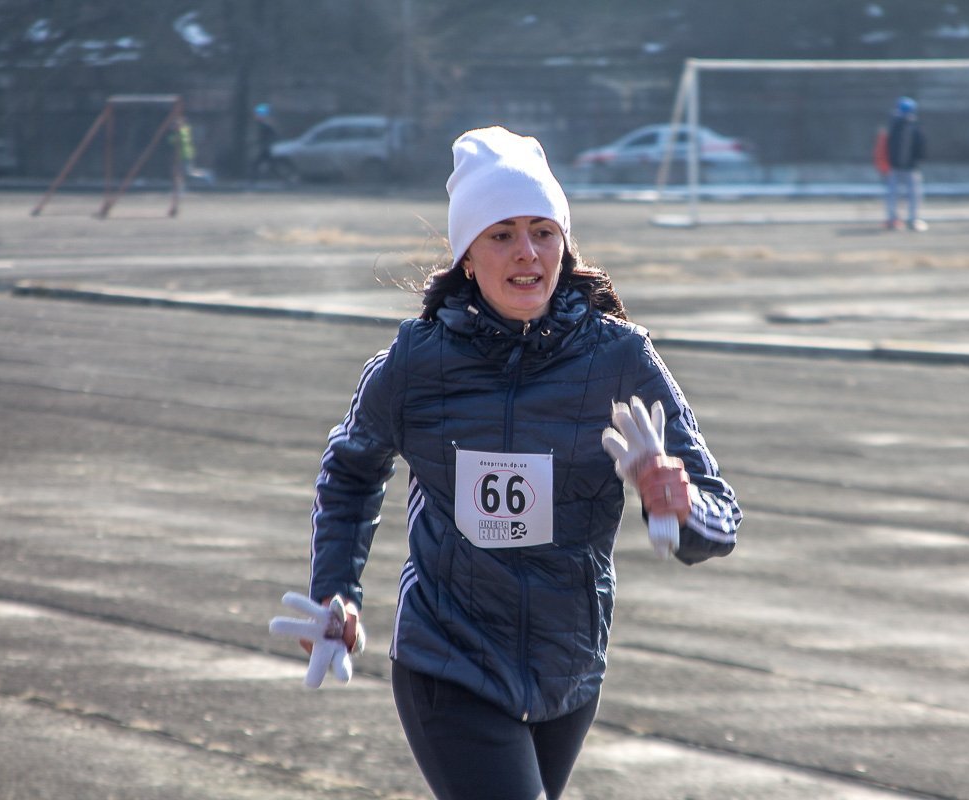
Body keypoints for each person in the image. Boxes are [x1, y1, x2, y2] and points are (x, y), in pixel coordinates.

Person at [272, 126, 741, 800]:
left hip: (567, 669)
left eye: (542, 231)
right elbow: (350, 471)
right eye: (501, 234)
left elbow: (720, 519)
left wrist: (679, 501)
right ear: (467, 255)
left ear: (564, 245)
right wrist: (336, 587)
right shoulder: (415, 365)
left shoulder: (620, 362)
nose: (527, 253)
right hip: (448, 660)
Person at [885, 96, 927, 232]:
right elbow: (888, 144)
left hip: (911, 167)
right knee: (893, 194)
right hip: (896, 166)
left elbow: (921, 145)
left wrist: (917, 161)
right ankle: (893, 219)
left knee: (913, 195)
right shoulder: (894, 125)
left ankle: (913, 219)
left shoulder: (915, 126)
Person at [251, 102, 278, 180]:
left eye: (257, 114)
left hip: (266, 149)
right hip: (267, 149)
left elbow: (270, 137)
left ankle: (252, 181)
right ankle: (287, 180)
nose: (255, 116)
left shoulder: (265, 125)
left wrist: (266, 145)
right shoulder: (263, 125)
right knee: (272, 165)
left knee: (256, 164)